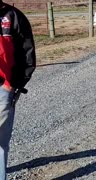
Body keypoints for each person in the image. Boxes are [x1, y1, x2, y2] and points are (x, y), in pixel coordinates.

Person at [0, 1, 36, 179]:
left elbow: (27, 52)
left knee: (0, 141)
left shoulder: (13, 16)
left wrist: (15, 84)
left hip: (3, 89)